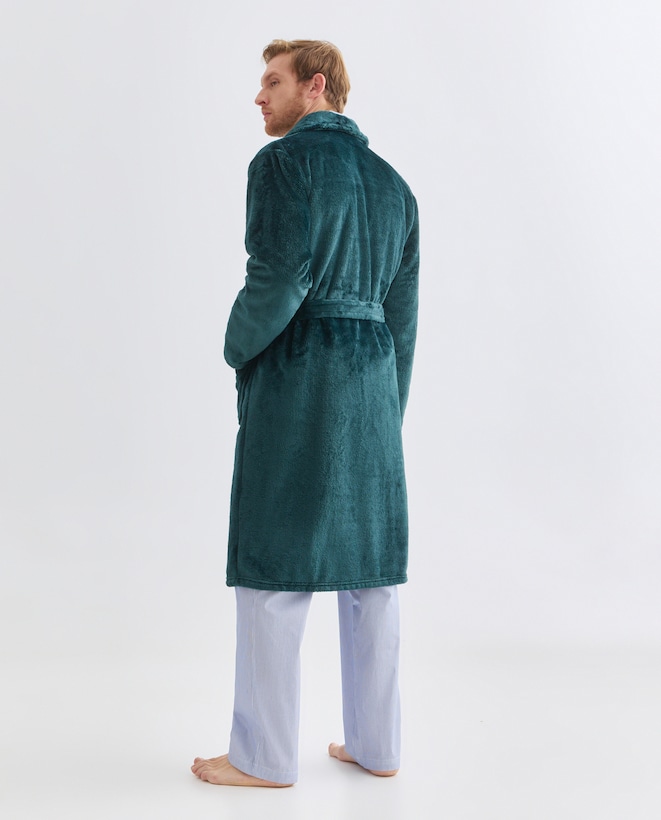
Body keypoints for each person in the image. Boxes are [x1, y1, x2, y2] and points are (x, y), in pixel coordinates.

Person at [191, 39, 419, 788]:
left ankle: (261, 757)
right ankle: (378, 747)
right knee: (371, 575)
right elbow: (402, 315)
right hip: (373, 384)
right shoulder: (395, 186)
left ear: (315, 86)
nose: (259, 97)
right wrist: (387, 408)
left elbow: (280, 277)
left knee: (273, 562)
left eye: (272, 81)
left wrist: (236, 348)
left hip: (301, 375)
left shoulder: (281, 164)